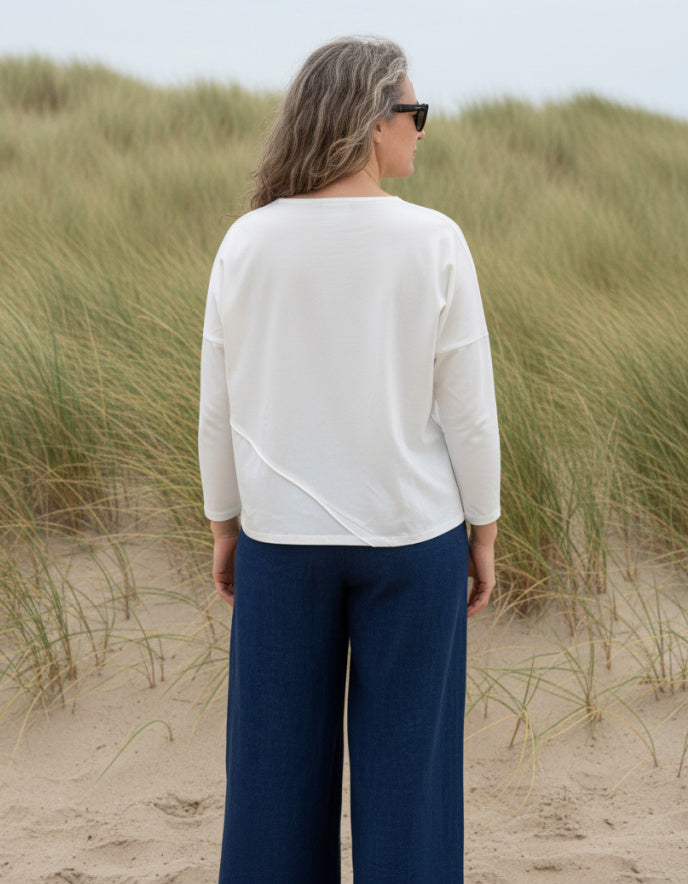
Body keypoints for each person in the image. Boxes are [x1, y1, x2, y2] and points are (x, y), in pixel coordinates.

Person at [198, 36, 500, 884]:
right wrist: (484, 529)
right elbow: (469, 412)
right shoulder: (434, 241)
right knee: (412, 792)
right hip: (414, 542)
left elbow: (217, 404)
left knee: (269, 789)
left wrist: (226, 524)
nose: (422, 131)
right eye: (416, 113)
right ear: (374, 122)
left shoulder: (246, 241)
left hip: (280, 544)